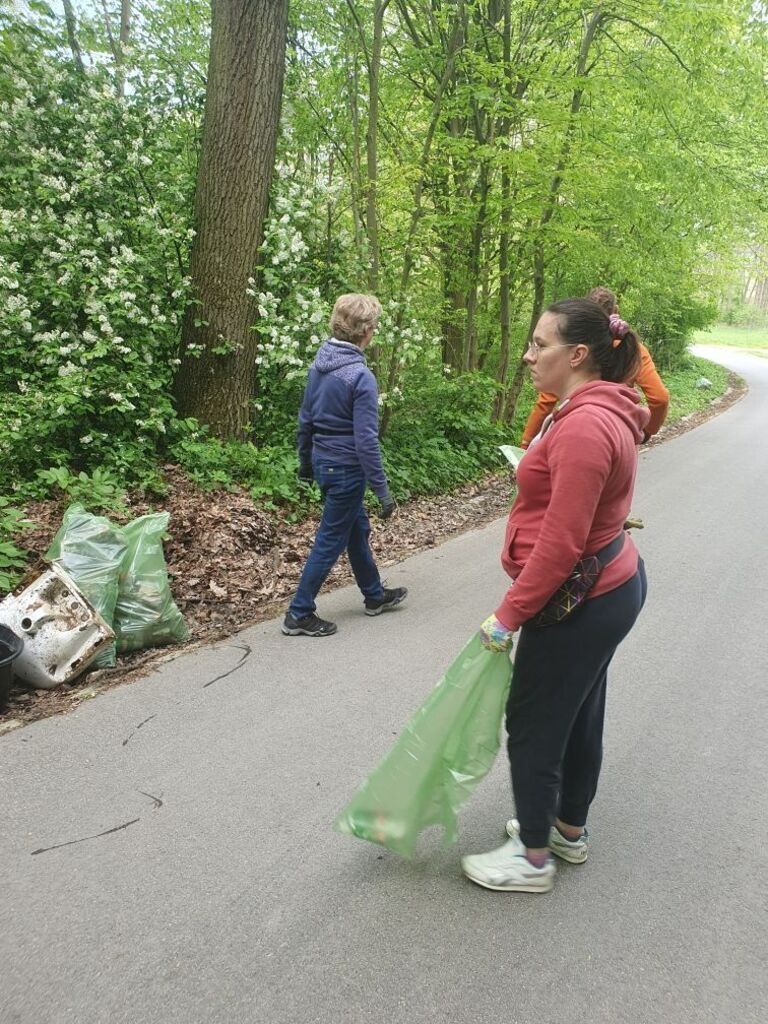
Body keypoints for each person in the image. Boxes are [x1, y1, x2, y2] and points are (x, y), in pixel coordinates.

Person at [461, 298, 649, 893]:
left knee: (536, 720)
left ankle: (532, 858)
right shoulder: (588, 411)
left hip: (583, 597)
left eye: (539, 344)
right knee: (579, 711)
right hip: (609, 585)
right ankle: (567, 828)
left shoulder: (587, 426)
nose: (528, 355)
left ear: (578, 354)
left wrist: (507, 615)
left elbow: (562, 544)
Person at [282, 293, 407, 638]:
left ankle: (374, 595)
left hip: (325, 463)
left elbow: (305, 422)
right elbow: (366, 441)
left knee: (355, 530)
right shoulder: (360, 377)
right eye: (374, 327)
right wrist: (383, 492)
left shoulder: (318, 367)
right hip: (347, 470)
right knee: (331, 538)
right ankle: (299, 612)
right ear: (365, 332)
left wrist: (306, 465)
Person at [520, 286, 669, 448]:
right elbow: (660, 397)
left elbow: (546, 401)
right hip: (619, 432)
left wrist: (526, 443)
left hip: (575, 430)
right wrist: (646, 432)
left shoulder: (574, 349)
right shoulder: (632, 348)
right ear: (615, 311)